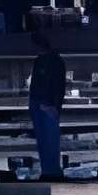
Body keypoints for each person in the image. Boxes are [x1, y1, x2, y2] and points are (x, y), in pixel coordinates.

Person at [25, 25, 66, 182]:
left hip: (44, 103)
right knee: (46, 140)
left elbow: (56, 86)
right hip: (43, 103)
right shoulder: (51, 60)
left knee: (47, 140)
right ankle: (50, 170)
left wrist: (54, 105)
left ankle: (51, 171)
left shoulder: (50, 61)